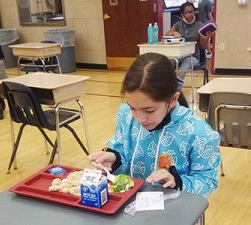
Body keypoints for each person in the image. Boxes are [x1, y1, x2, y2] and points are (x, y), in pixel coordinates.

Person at [88, 53, 221, 197]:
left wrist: (177, 182)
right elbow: (123, 154)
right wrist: (115, 160)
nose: (139, 118)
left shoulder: (199, 134)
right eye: (132, 107)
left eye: (149, 110)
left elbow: (208, 182)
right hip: (129, 206)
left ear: (173, 99)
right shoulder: (125, 114)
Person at [165, 2, 212, 90]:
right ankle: (166, 85)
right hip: (179, 55)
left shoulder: (199, 25)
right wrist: (174, 32)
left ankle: (176, 89)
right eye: (187, 12)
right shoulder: (178, 25)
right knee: (167, 62)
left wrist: (206, 38)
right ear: (182, 14)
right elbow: (166, 35)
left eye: (192, 12)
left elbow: (202, 46)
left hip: (194, 56)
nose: (190, 14)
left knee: (186, 63)